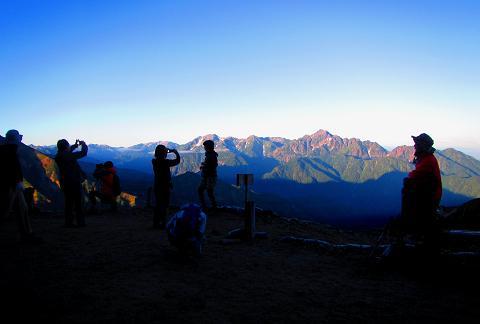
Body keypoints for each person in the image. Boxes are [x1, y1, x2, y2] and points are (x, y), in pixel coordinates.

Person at [399, 133, 443, 248]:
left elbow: (415, 176)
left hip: (430, 199)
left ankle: (412, 234)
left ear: (422, 146)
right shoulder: (427, 158)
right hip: (430, 196)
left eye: (416, 144)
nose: (414, 146)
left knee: (408, 185)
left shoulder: (428, 161)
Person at [0, 129, 41, 243]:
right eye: (19, 137)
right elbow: (13, 168)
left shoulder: (5, 149)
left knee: (21, 209)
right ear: (16, 139)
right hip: (11, 187)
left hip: (11, 186)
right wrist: (17, 183)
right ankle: (26, 234)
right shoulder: (11, 151)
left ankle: (26, 234)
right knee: (7, 210)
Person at [55, 139, 88, 227]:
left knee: (69, 203)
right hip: (74, 182)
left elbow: (67, 151)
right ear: (66, 147)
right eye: (68, 145)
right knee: (78, 203)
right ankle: (80, 222)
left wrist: (75, 146)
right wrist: (83, 144)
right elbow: (83, 153)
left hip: (65, 182)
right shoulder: (67, 156)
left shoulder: (59, 155)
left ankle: (68, 222)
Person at [152, 145, 180, 229]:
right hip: (165, 186)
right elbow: (177, 161)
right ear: (164, 153)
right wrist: (175, 152)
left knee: (158, 204)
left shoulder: (154, 161)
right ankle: (163, 223)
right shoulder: (165, 162)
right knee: (165, 205)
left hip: (157, 185)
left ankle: (156, 223)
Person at [198, 139, 218, 210]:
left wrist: (204, 167)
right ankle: (212, 206)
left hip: (210, 176)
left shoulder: (211, 155)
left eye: (205, 146)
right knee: (207, 191)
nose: (204, 148)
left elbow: (212, 166)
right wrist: (204, 165)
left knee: (207, 191)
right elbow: (212, 165)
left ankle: (211, 207)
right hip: (208, 176)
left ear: (209, 147)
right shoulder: (210, 155)